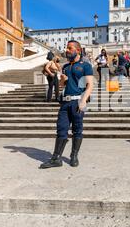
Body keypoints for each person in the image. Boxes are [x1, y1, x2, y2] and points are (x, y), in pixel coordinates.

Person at [40, 41, 94, 169]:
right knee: (61, 128)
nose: (67, 50)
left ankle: (74, 156)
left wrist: (83, 101)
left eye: (70, 48)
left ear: (78, 50)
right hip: (65, 102)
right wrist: (64, 81)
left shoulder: (85, 65)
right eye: (67, 48)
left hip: (77, 101)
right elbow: (64, 85)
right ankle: (56, 158)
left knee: (77, 129)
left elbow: (90, 85)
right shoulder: (65, 67)